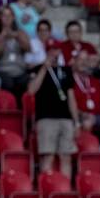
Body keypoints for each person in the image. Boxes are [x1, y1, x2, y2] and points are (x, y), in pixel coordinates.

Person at [28, 43, 79, 177]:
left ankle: (65, 190)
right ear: (47, 52)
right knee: (48, 155)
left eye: (56, 50)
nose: (54, 54)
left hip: (65, 118)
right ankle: (47, 186)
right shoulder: (38, 69)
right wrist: (44, 69)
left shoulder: (66, 71)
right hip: (46, 118)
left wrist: (76, 121)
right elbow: (31, 90)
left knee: (66, 156)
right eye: (51, 51)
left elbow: (71, 97)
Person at [0, 5, 31, 95]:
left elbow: (28, 48)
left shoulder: (20, 33)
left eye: (9, 15)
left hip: (19, 70)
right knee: (8, 83)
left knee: (26, 81)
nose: (7, 18)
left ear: (13, 17)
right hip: (2, 70)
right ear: (0, 18)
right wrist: (3, 37)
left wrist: (16, 36)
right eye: (4, 15)